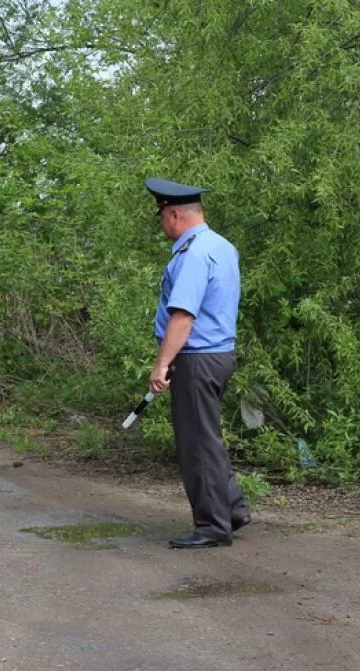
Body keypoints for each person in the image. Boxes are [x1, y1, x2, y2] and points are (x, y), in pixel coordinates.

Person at [145, 177, 250, 549]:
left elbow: (183, 317)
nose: (161, 226)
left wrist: (162, 364)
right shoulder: (222, 246)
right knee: (209, 438)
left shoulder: (192, 254)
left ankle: (212, 527)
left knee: (197, 445)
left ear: (174, 214)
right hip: (219, 354)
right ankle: (232, 510)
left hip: (196, 357)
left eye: (161, 217)